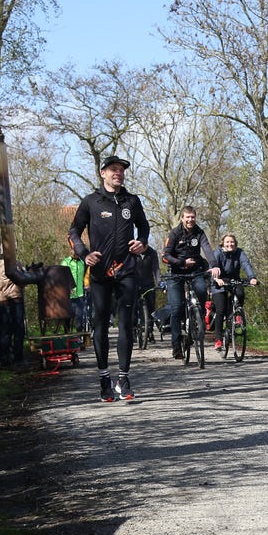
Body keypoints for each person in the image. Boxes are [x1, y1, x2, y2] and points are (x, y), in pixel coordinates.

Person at [68, 155, 150, 401]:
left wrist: (142, 243)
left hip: (126, 270)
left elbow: (144, 227)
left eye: (121, 170)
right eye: (113, 169)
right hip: (101, 273)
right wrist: (84, 254)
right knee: (100, 325)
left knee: (126, 324)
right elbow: (74, 230)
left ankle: (123, 379)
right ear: (103, 173)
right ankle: (104, 379)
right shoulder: (91, 202)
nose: (118, 173)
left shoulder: (132, 201)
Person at [162, 206, 220, 359]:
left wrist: (214, 265)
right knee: (176, 308)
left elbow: (207, 249)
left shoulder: (199, 232)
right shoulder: (175, 233)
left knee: (201, 290)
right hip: (176, 272)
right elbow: (167, 254)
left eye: (192, 217)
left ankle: (197, 320)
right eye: (187, 217)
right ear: (182, 218)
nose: (190, 220)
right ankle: (176, 346)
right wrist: (181, 262)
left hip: (195, 271)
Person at [209, 233, 258, 351]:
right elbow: (212, 269)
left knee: (240, 293)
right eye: (227, 242)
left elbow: (246, 264)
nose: (230, 244)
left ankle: (236, 314)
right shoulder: (218, 253)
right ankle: (218, 339)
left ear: (235, 244)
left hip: (234, 281)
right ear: (223, 243)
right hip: (219, 283)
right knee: (220, 309)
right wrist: (217, 279)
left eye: (232, 242)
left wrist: (252, 277)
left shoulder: (240, 253)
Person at [0, 255, 26, 367]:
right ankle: (18, 357)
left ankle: (4, 357)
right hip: (15, 298)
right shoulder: (14, 265)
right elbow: (23, 280)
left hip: (2, 300)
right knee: (18, 328)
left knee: (5, 330)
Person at [136, 244, 161, 341]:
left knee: (151, 308)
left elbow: (156, 268)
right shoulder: (133, 251)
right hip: (135, 283)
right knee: (133, 306)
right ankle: (133, 329)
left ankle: (150, 331)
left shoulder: (152, 253)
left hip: (149, 283)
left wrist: (159, 282)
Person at [61, 248, 88, 331]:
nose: (74, 252)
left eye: (76, 251)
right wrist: (67, 287)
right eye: (73, 250)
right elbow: (61, 276)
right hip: (68, 295)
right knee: (67, 318)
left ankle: (79, 337)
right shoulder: (65, 262)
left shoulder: (83, 262)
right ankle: (67, 336)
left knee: (79, 317)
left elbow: (86, 275)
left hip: (80, 295)